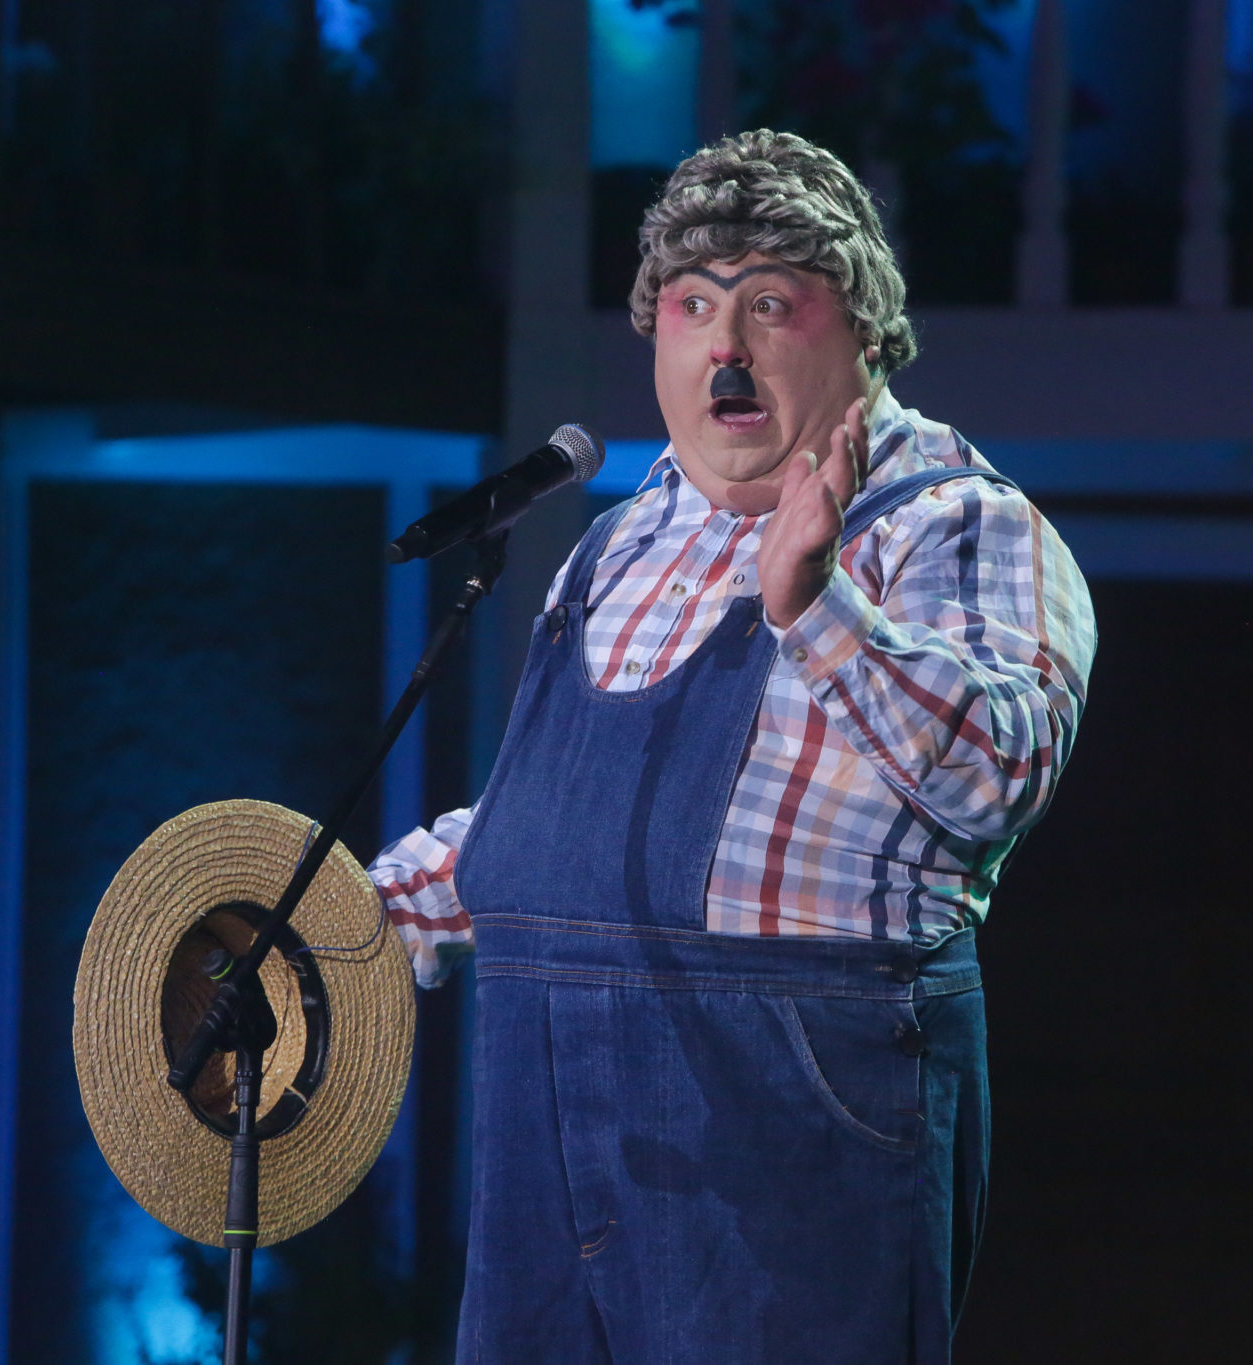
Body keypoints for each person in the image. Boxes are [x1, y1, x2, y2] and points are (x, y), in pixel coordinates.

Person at [370, 129, 1096, 1365]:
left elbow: (998, 777)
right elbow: (553, 828)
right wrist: (359, 922)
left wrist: (818, 605)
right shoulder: (616, 542)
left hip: (779, 1135)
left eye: (769, 304)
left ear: (864, 332)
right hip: (547, 1131)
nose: (725, 347)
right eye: (692, 306)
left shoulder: (951, 525)